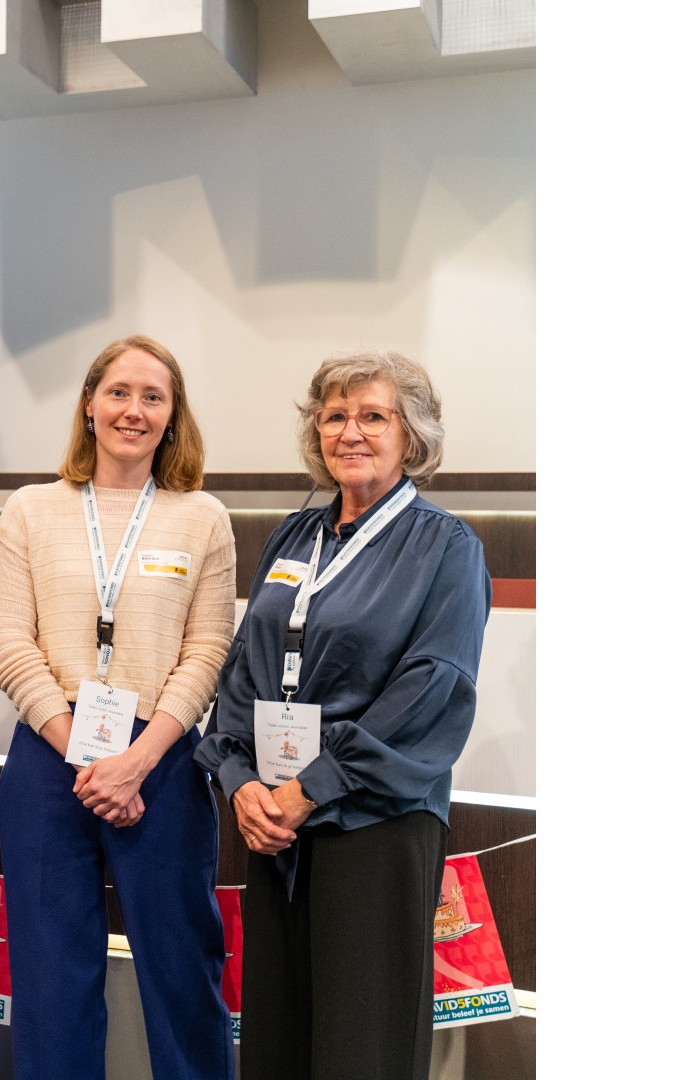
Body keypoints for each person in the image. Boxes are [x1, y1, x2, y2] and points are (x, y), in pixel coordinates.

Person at [195, 350, 490, 1079]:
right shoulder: (294, 538)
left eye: (372, 416)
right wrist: (240, 780)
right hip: (273, 827)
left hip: (373, 822)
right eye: (335, 416)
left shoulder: (445, 548)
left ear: (411, 435)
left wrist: (309, 789)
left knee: (362, 1042)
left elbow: (431, 690)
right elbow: (244, 669)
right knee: (278, 1035)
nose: (350, 431)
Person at [0, 335, 236, 1078]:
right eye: (118, 392)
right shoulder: (31, 510)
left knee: (180, 964)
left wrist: (137, 758)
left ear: (172, 417)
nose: (133, 410)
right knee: (49, 973)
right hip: (50, 751)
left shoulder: (202, 517)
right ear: (89, 406)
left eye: (152, 397)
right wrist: (85, 753)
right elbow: (11, 642)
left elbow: (208, 650)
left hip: (159, 757)